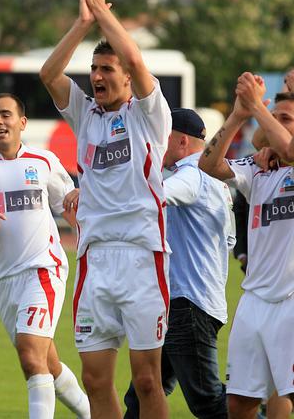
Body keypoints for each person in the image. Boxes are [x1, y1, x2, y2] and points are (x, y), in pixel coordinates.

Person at [40, 0, 173, 417]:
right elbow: (49, 75)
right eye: (94, 68)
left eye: (106, 69)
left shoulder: (148, 114)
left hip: (141, 257)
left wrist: (101, 9)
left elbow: (134, 55)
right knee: (96, 380)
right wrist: (82, 23)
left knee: (147, 379)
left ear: (128, 79)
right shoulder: (86, 114)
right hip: (95, 260)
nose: (96, 76)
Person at [0, 93, 90, 419]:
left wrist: (81, 201)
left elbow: (69, 205)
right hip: (2, 280)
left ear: (22, 122)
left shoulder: (43, 161)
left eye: (6, 114)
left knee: (29, 354)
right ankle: (94, 413)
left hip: (43, 268)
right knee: (46, 362)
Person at [122, 108, 234, 419]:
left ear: (181, 141)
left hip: (188, 303)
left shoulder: (191, 175)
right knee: (144, 389)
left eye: (162, 138)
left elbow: (157, 196)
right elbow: (229, 241)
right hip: (192, 301)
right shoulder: (219, 183)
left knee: (207, 401)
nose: (157, 145)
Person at [198, 73, 294, 419]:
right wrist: (239, 114)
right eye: (275, 115)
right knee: (239, 403)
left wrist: (258, 107)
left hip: (291, 300)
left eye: (285, 118)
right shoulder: (260, 169)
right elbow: (208, 164)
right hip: (254, 300)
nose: (275, 123)